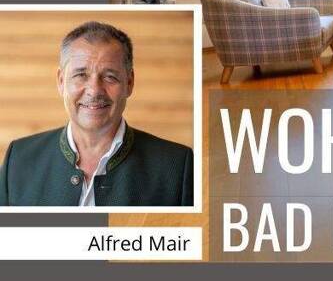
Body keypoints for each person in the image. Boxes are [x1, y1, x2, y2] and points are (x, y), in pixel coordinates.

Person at [0, 21, 193, 207]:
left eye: (110, 77)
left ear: (129, 83)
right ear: (61, 81)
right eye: (80, 75)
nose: (94, 90)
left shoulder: (176, 166)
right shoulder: (19, 159)